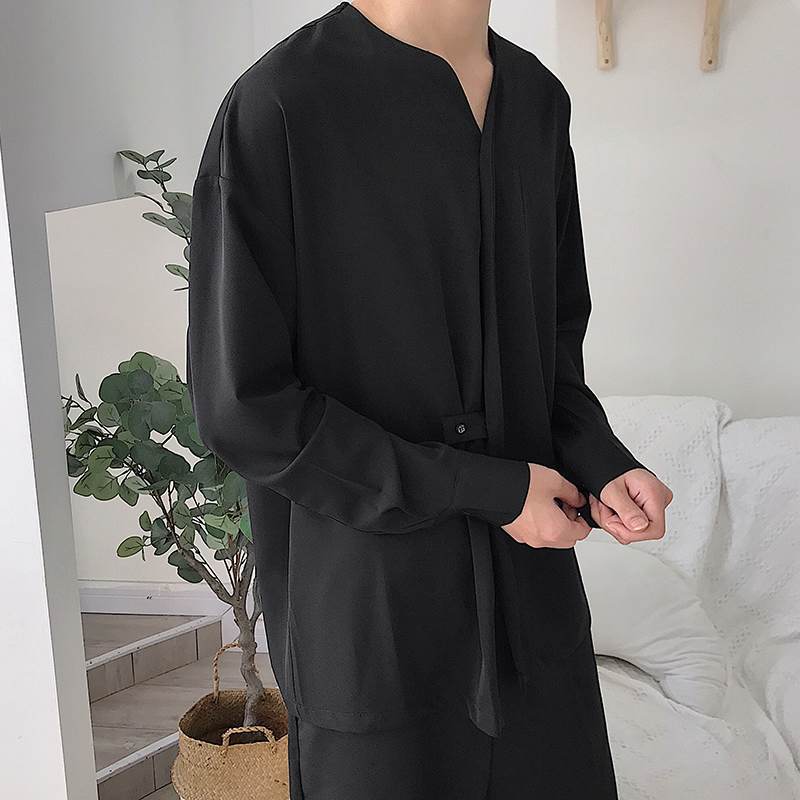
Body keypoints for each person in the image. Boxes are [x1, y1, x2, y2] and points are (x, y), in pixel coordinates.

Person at [186, 1, 674, 797]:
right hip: (372, 628)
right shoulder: (281, 105)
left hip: (534, 623)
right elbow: (245, 408)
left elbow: (550, 348)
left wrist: (601, 460)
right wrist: (486, 489)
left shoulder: (536, 99)